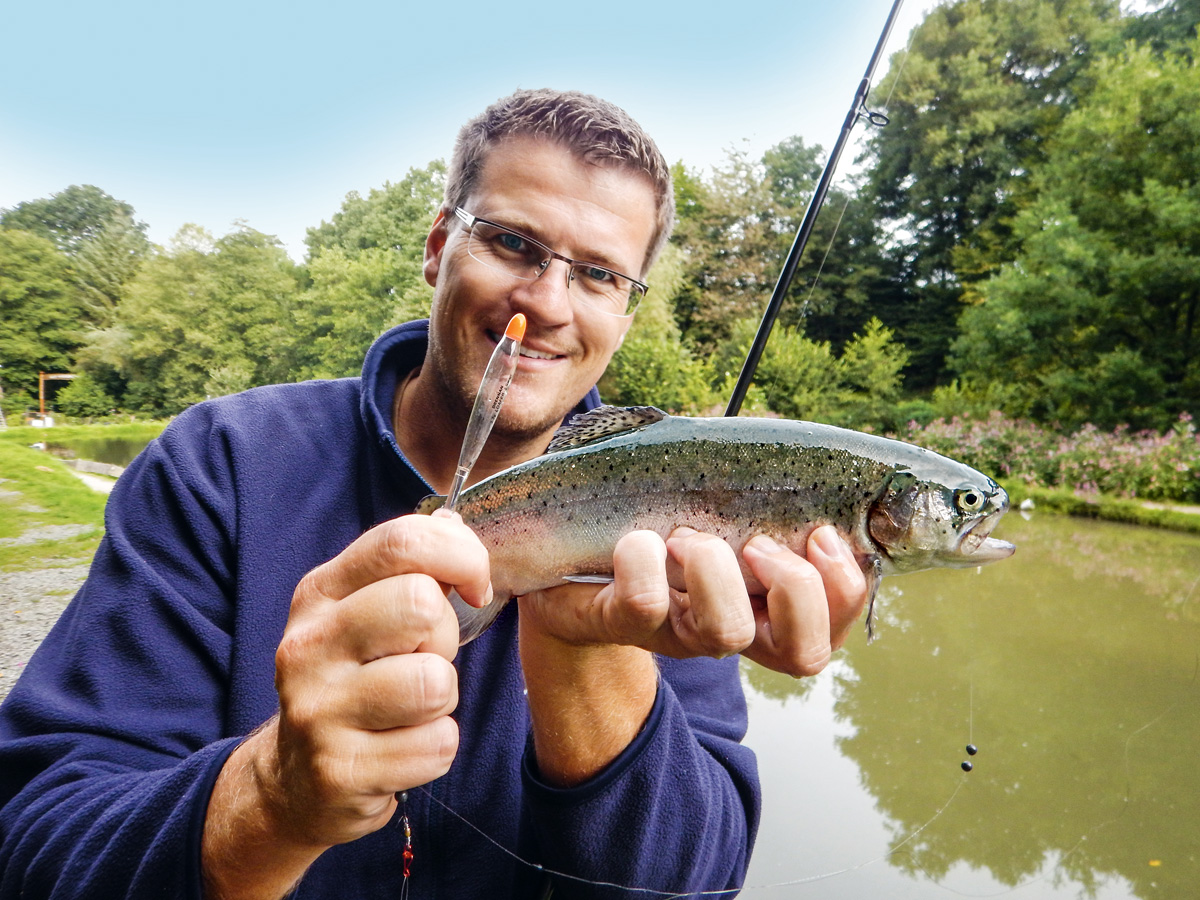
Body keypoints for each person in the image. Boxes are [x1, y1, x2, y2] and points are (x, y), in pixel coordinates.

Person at [0, 89, 868, 899]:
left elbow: (692, 882)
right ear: (436, 246)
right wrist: (269, 797)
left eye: (600, 274)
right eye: (513, 243)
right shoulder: (220, 461)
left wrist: (583, 649)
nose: (547, 301)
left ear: (627, 314)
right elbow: (32, 841)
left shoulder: (686, 507)